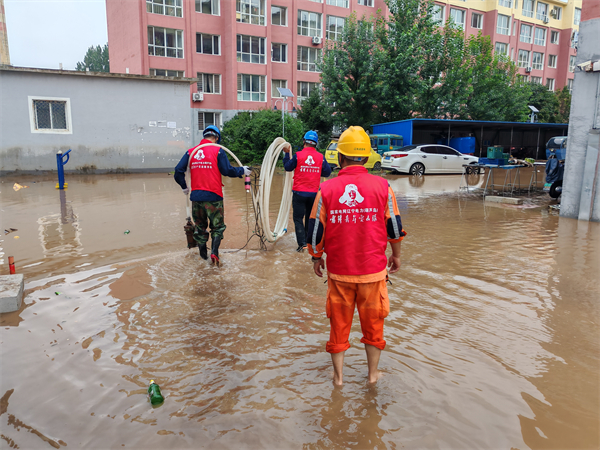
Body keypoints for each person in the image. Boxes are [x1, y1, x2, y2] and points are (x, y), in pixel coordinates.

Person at [307, 126, 406, 385]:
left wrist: (316, 257)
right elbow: (394, 226)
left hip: (339, 273)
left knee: (339, 325)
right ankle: (372, 376)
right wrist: (396, 255)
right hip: (373, 273)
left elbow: (315, 229)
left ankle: (338, 378)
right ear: (365, 158)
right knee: (374, 325)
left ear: (340, 157)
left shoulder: (326, 189)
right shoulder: (383, 187)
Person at [174, 125, 251, 266]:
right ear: (216, 138)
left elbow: (178, 170)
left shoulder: (191, 152)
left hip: (196, 198)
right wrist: (242, 170)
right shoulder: (218, 150)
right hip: (214, 196)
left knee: (200, 228)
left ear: (204, 136)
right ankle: (214, 252)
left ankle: (203, 257)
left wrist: (184, 187)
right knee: (217, 227)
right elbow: (227, 170)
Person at [283, 130, 332, 252]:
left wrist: (286, 154)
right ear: (316, 144)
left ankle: (302, 244)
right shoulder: (321, 157)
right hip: (314, 194)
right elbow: (327, 172)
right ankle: (310, 244)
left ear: (304, 141)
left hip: (299, 193)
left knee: (298, 218)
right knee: (310, 218)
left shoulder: (298, 155)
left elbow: (287, 167)